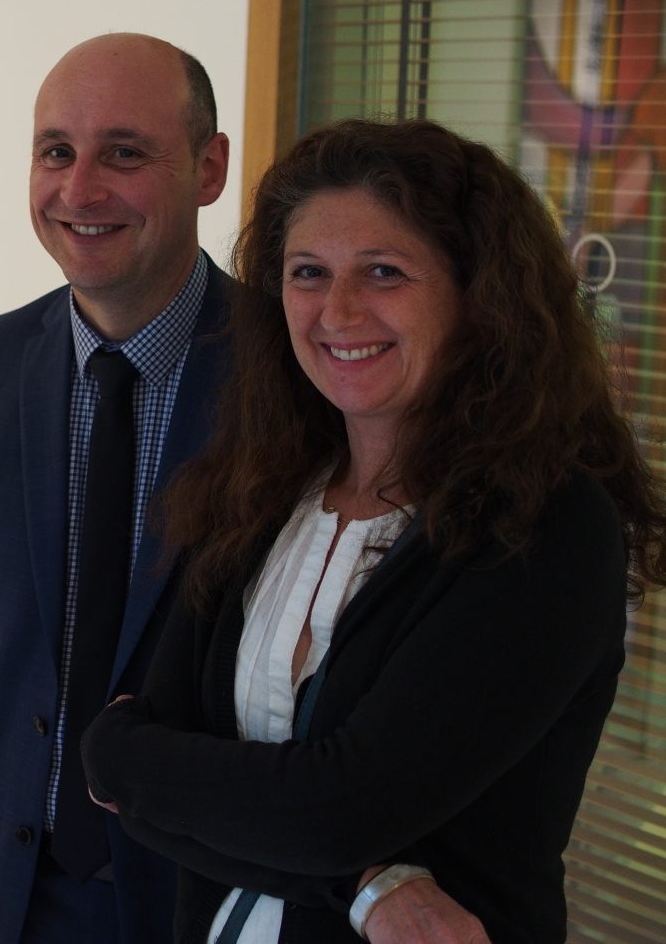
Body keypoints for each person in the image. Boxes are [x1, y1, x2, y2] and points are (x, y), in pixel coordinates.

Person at [81, 118, 666, 943]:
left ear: (479, 295)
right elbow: (123, 766)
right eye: (309, 272)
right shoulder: (260, 492)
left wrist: (141, 764)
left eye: (384, 271)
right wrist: (369, 884)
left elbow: (335, 809)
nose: (339, 310)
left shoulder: (545, 525)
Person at [0, 33, 233, 943]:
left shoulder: (290, 377)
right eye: (56, 151)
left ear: (209, 168)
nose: (80, 189)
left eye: (124, 153)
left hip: (190, 888)